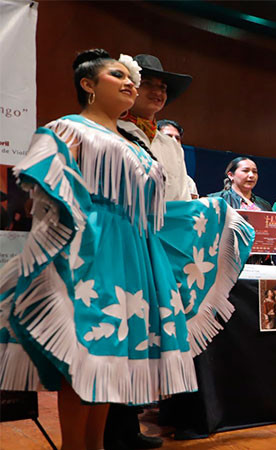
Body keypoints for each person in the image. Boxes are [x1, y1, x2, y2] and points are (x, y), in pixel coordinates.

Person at [0, 49, 254, 450]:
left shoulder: (136, 144)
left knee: (113, 354)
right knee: (85, 350)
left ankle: (97, 445)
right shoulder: (70, 129)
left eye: (129, 78)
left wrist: (210, 213)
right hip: (92, 250)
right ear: (88, 84)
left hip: (134, 253)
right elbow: (50, 187)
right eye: (117, 75)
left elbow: (158, 208)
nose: (129, 83)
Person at [117, 54, 193, 202]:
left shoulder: (172, 146)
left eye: (162, 87)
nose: (158, 92)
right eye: (147, 84)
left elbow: (183, 198)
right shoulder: (111, 132)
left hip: (169, 217)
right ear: (129, 89)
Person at [157, 119, 198, 199]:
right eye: (168, 136)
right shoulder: (149, 170)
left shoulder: (188, 182)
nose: (174, 141)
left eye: (177, 138)